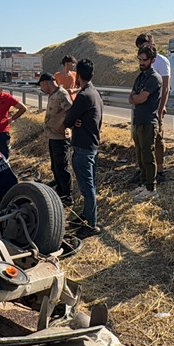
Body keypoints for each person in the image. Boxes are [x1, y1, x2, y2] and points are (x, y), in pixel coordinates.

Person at [62, 58, 103, 238]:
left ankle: (91, 224)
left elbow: (68, 120)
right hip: (92, 145)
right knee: (89, 186)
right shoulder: (95, 93)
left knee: (87, 188)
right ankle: (86, 216)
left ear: (78, 75)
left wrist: (74, 122)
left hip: (83, 147)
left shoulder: (84, 95)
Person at [128, 42, 162, 201]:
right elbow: (132, 97)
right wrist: (136, 97)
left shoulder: (154, 78)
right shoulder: (141, 76)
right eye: (139, 59)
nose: (141, 62)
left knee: (148, 156)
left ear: (152, 60)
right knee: (140, 156)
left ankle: (151, 188)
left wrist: (136, 97)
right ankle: (144, 183)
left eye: (144, 60)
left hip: (148, 122)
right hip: (138, 120)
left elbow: (141, 98)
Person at [136, 33, 171, 181]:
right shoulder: (144, 62)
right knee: (141, 140)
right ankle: (143, 171)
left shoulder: (161, 61)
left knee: (157, 139)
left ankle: (160, 170)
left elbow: (166, 87)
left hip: (155, 107)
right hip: (143, 108)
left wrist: (161, 108)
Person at [38, 72, 73, 204]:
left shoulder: (61, 94)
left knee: (62, 167)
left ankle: (67, 195)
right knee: (56, 166)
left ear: (46, 82)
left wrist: (65, 127)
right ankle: (60, 190)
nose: (41, 89)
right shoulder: (53, 95)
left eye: (41, 85)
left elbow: (70, 112)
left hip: (61, 136)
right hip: (53, 136)